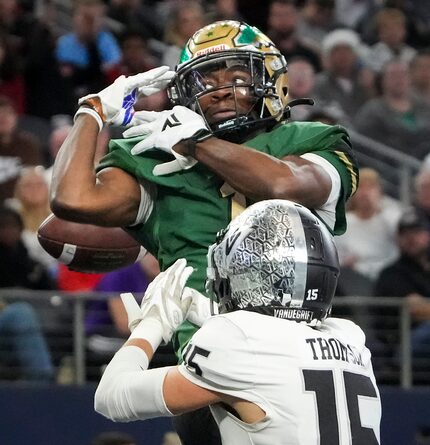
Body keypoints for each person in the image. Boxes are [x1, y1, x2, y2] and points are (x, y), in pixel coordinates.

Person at [50, 20, 359, 445]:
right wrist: (91, 111)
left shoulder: (314, 140)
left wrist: (198, 144)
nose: (218, 89)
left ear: (272, 80)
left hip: (288, 356)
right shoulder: (155, 155)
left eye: (237, 75)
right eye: (205, 79)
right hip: (207, 360)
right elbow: (72, 201)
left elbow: (283, 185)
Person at [94, 199, 382, 444]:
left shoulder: (237, 339)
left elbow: (112, 396)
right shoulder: (350, 339)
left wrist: (152, 324)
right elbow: (279, 351)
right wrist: (205, 311)